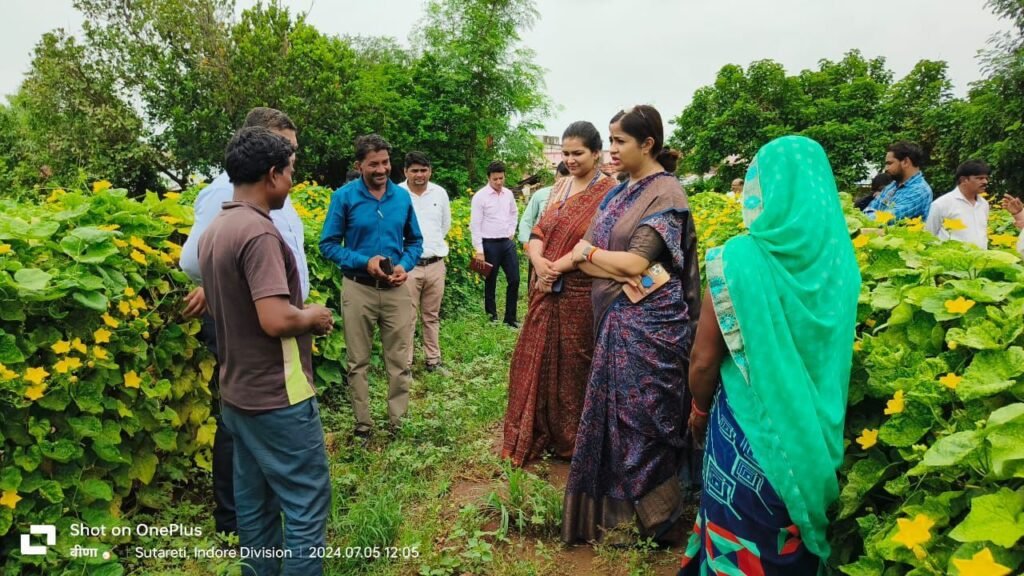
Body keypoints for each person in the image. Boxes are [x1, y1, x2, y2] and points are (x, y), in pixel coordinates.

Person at [679, 136, 860, 575]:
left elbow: (704, 360)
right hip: (816, 438)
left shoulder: (739, 260)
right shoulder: (841, 264)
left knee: (740, 539)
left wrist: (699, 410)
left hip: (748, 431)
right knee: (788, 537)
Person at [561, 105, 701, 546]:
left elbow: (637, 261)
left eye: (620, 140)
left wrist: (589, 256)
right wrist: (601, 262)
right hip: (616, 317)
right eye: (612, 139)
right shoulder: (619, 192)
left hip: (651, 327)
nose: (613, 149)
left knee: (645, 417)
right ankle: (619, 518)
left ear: (648, 144)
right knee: (616, 419)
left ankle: (655, 518)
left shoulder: (666, 195)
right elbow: (612, 260)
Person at [199, 127, 334, 575]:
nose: (292, 183)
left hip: (237, 394)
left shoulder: (217, 227)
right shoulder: (259, 233)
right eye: (291, 172)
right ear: (273, 174)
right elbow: (275, 319)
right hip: (279, 396)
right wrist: (313, 316)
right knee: (305, 504)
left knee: (254, 506)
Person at [179, 107, 307, 536]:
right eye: (286, 152)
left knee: (249, 415)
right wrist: (223, 285)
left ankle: (253, 511)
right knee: (247, 413)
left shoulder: (271, 198)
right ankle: (233, 516)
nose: (292, 163)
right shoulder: (227, 195)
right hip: (257, 320)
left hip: (273, 315)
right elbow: (196, 258)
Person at [501, 122, 617, 467]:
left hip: (579, 291)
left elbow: (596, 241)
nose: (570, 160)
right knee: (531, 358)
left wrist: (557, 267)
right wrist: (538, 260)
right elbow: (539, 230)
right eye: (566, 153)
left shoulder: (609, 192)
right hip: (545, 288)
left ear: (597, 153)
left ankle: (573, 441)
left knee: (574, 365)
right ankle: (538, 430)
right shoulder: (560, 186)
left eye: (577, 153)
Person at [319, 134, 424, 444]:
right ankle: (363, 426)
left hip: (396, 290)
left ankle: (398, 423)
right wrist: (365, 262)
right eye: (374, 164)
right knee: (358, 362)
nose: (381, 169)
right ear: (359, 165)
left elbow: (415, 241)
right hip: (358, 288)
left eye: (386, 162)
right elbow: (328, 244)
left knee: (399, 359)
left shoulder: (402, 198)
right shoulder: (345, 197)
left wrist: (405, 264)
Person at [399, 151, 451, 373]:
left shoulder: (439, 193)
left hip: (435, 264)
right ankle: (405, 366)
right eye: (414, 170)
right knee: (406, 318)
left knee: (431, 316)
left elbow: (444, 225)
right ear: (405, 172)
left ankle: (433, 360)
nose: (419, 175)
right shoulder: (396, 194)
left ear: (430, 171)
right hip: (408, 267)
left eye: (423, 170)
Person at [471, 161, 521, 328]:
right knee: (490, 281)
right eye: (495, 179)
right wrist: (479, 250)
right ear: (488, 178)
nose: (499, 182)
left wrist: (512, 230)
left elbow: (514, 212)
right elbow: (475, 225)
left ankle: (510, 318)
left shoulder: (508, 194)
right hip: (489, 243)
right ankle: (491, 316)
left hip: (506, 243)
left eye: (501, 178)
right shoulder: (480, 197)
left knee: (514, 279)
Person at [925, 160, 991, 248]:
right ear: (963, 180)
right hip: (952, 259)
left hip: (980, 259)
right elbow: (928, 235)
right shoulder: (941, 204)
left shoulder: (984, 204)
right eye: (980, 178)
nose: (985, 182)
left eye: (986, 178)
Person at [863, 141, 933, 221]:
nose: (886, 168)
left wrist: (873, 216)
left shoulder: (920, 191)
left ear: (906, 162)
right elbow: (868, 209)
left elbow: (888, 219)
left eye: (889, 163)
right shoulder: (892, 186)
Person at [519, 162, 570, 255]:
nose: (563, 181)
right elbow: (526, 220)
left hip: (563, 251)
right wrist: (526, 244)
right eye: (560, 177)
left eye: (568, 178)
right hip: (537, 247)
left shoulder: (576, 198)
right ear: (555, 177)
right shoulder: (541, 194)